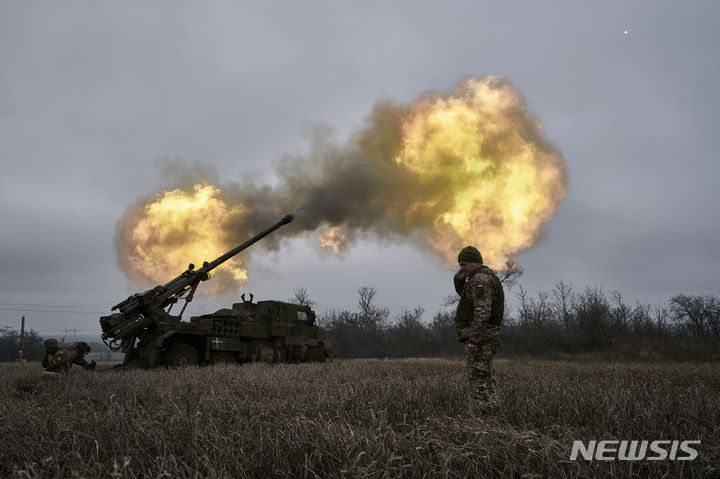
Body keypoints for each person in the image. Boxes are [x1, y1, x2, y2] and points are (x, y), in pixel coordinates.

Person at [453, 246, 505, 415]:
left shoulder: (480, 280)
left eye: (463, 265)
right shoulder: (480, 278)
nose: (461, 268)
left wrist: (474, 340)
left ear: (474, 263)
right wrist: (459, 280)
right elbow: (468, 298)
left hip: (482, 339)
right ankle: (493, 418)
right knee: (485, 379)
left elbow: (482, 312)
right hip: (485, 337)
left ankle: (491, 421)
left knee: (480, 380)